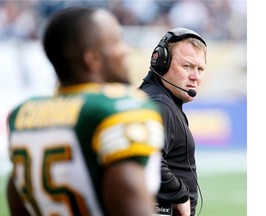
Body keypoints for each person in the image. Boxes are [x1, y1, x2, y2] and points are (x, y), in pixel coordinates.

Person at [6, 7, 165, 216]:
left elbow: (16, 195)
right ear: (92, 58)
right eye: (117, 41)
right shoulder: (115, 109)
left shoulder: (25, 114)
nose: (125, 50)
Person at [139, 27, 207, 216]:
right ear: (161, 62)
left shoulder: (157, 100)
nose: (195, 76)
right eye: (187, 66)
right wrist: (179, 195)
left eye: (200, 69)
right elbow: (146, 157)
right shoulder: (159, 104)